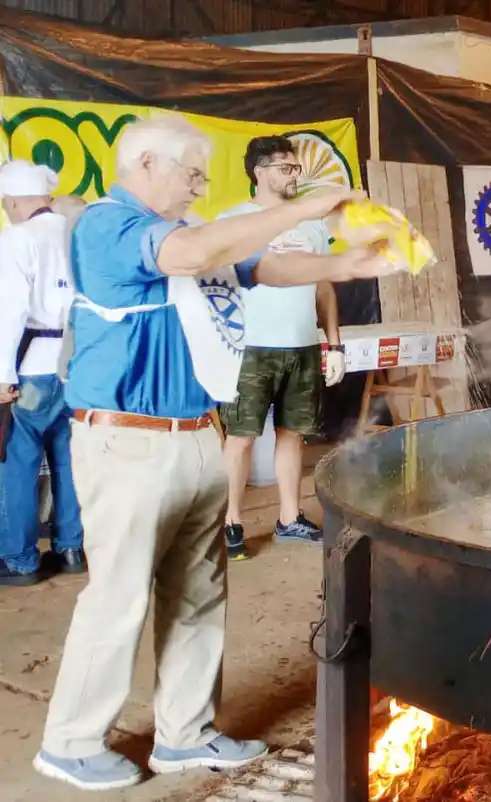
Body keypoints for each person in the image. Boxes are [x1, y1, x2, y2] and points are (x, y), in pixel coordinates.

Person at [34, 113, 395, 792]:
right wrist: (309, 206)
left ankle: (186, 732)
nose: (199, 188)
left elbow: (264, 266)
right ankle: (71, 743)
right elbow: (193, 255)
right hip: (128, 440)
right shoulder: (111, 226)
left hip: (196, 432)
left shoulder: (187, 232)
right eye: (192, 174)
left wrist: (346, 264)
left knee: (199, 593)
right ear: (146, 164)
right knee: (119, 598)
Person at [217, 136, 346, 560]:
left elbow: (324, 287)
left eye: (296, 168)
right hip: (249, 349)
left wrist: (334, 344)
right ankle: (230, 522)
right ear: (260, 172)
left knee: (293, 434)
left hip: (303, 347)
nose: (294, 176)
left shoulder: (311, 224)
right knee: (241, 437)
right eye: (285, 168)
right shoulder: (232, 221)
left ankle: (289, 518)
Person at [0, 160, 85, 586]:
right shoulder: (76, 232)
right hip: (74, 365)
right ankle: (71, 549)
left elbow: (10, 310)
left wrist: (2, 374)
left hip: (30, 368)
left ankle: (19, 560)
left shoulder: (17, 237)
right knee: (69, 460)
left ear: (13, 201)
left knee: (17, 462)